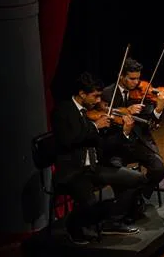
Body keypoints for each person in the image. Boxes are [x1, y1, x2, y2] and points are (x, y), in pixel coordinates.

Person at [51, 73, 146, 243]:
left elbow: (102, 143)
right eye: (94, 96)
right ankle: (73, 226)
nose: (98, 101)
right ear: (82, 94)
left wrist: (123, 132)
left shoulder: (87, 112)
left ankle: (112, 220)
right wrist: (95, 126)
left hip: (94, 167)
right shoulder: (63, 111)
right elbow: (68, 140)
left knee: (136, 179)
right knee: (89, 201)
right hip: (74, 170)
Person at [100, 58, 164, 202]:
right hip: (117, 145)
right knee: (121, 177)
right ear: (121, 76)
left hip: (138, 141)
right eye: (132, 79)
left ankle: (140, 194)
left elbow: (150, 123)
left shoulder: (142, 92)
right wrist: (126, 111)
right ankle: (126, 204)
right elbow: (104, 119)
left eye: (138, 78)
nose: (136, 82)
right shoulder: (107, 94)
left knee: (159, 169)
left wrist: (159, 108)